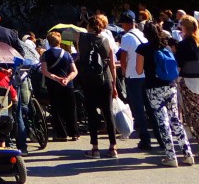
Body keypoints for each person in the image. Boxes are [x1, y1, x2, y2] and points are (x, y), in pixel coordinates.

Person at [136, 20, 194, 167]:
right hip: (170, 86)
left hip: (153, 88)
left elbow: (138, 70)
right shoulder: (166, 47)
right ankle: (187, 154)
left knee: (162, 121)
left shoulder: (143, 49)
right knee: (175, 119)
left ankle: (171, 156)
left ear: (145, 34)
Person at [76, 15, 118, 159]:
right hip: (105, 79)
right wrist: (114, 84)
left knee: (92, 113)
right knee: (108, 112)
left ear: (89, 26)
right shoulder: (107, 40)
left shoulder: (81, 38)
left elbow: (81, 56)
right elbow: (112, 65)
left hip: (89, 80)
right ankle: (113, 147)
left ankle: (95, 148)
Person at [118, 10, 158, 151]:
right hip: (146, 75)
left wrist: (124, 71)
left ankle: (145, 139)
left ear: (125, 24)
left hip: (133, 76)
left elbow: (123, 57)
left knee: (138, 109)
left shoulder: (126, 37)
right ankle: (159, 136)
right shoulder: (142, 35)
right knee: (150, 107)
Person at [40, 30, 78, 141]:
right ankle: (74, 133)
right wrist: (67, 79)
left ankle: (61, 134)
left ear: (49, 42)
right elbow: (74, 71)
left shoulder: (45, 55)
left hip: (53, 85)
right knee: (71, 109)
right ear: (60, 41)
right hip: (68, 85)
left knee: (57, 109)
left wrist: (57, 79)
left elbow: (44, 71)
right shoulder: (67, 54)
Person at [175, 15, 199, 144]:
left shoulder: (182, 45)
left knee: (193, 113)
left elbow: (179, 65)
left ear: (184, 28)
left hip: (188, 81)